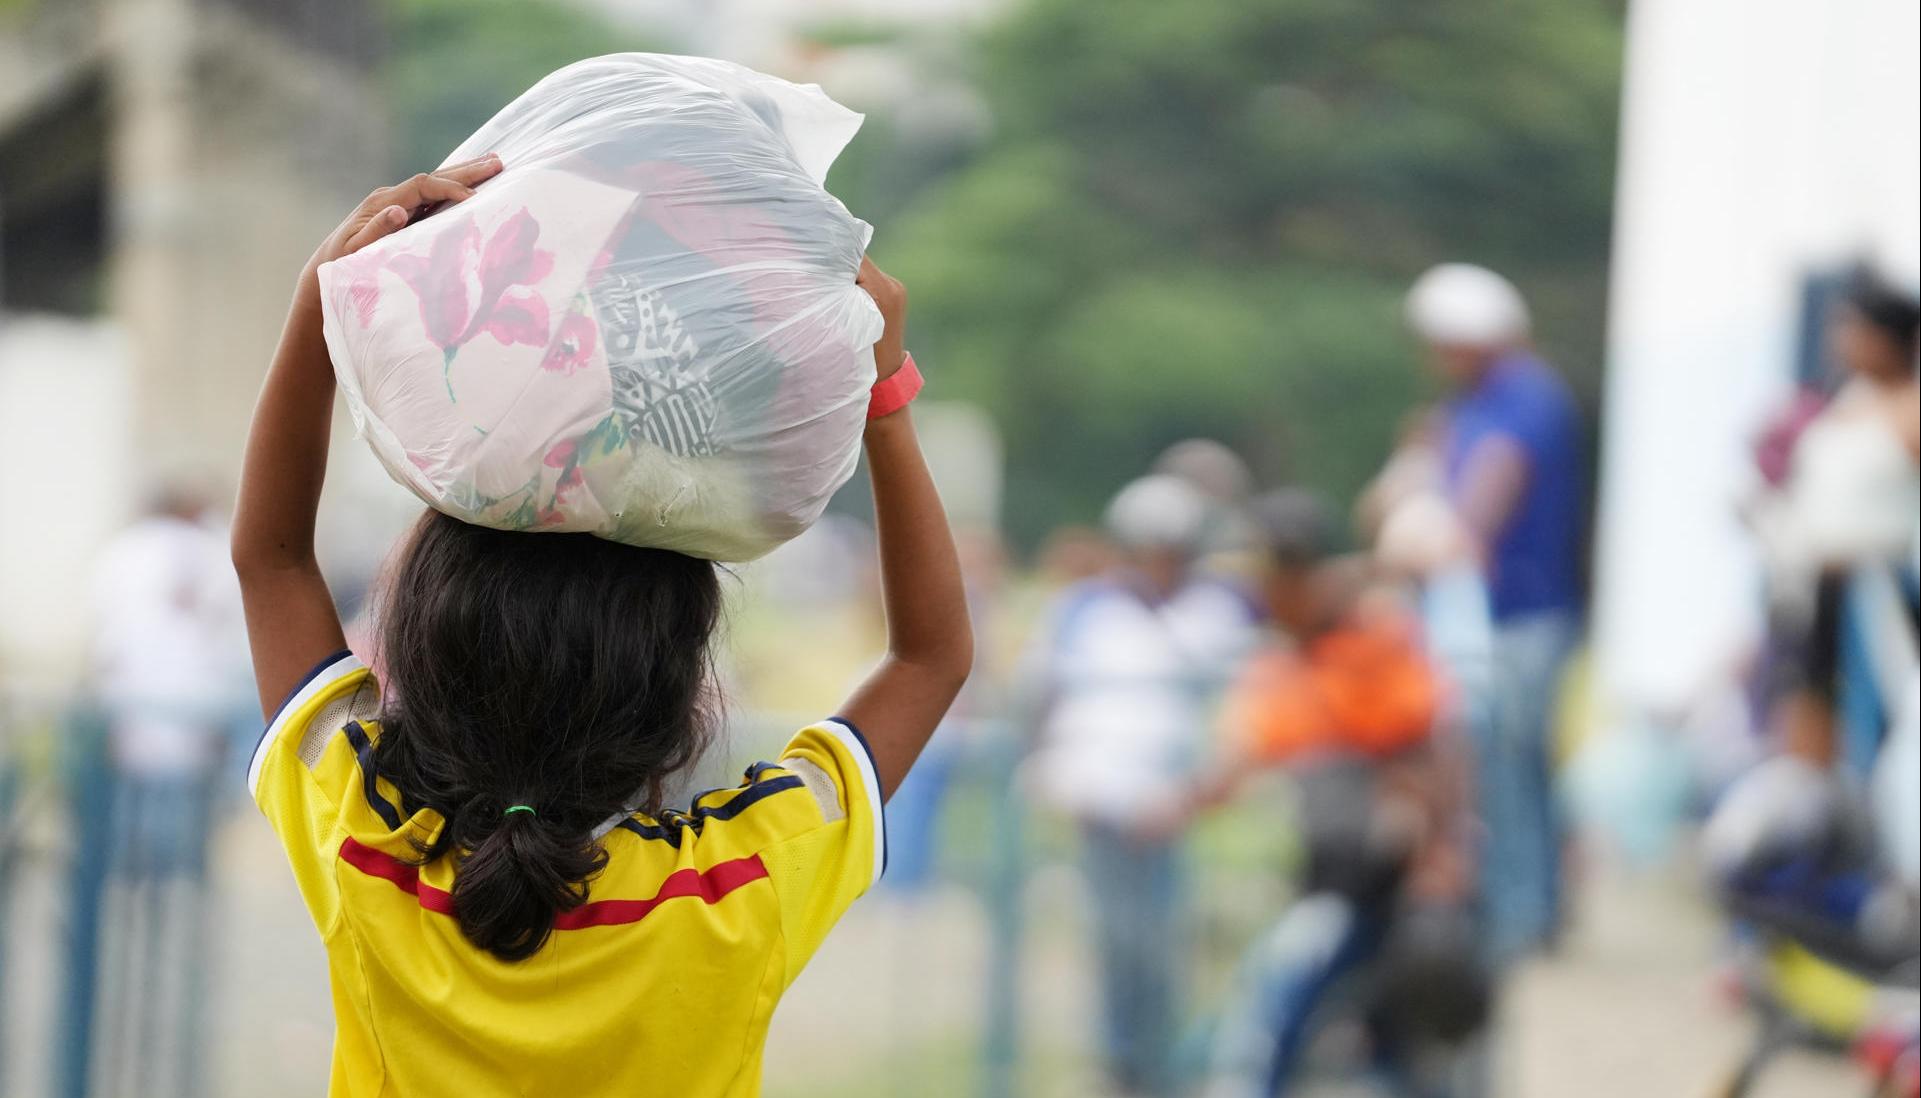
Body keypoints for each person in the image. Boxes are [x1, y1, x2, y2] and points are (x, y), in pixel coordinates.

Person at [230, 156, 972, 1095]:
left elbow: (271, 562)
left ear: (426, 636)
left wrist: (318, 304)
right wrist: (884, 393)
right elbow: (931, 657)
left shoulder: (368, 839)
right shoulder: (734, 887)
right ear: (676, 691)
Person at [1182, 490, 1482, 1097]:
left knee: (1382, 1038)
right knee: (1281, 1025)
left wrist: (1440, 854)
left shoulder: (1373, 639)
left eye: (1267, 578)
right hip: (1317, 878)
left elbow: (1433, 746)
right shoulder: (1283, 654)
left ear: (1294, 573)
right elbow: (1242, 756)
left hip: (1384, 888)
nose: (1257, 594)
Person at [1025, 474, 1259, 1096]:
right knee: (1114, 942)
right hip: (1100, 801)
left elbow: (1239, 711)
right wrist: (1052, 774)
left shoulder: (1216, 612)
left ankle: (1166, 1066)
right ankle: (1119, 1064)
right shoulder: (1082, 610)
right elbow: (1043, 702)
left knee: (1165, 946)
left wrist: (1197, 793)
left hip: (1175, 805)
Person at [1404, 263, 1586, 965]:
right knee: (1512, 765)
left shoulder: (1524, 396)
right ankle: (1530, 904)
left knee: (1508, 764)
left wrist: (1453, 537)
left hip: (1521, 615)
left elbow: (1492, 482)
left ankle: (1520, 912)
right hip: (1481, 615)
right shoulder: (1464, 405)